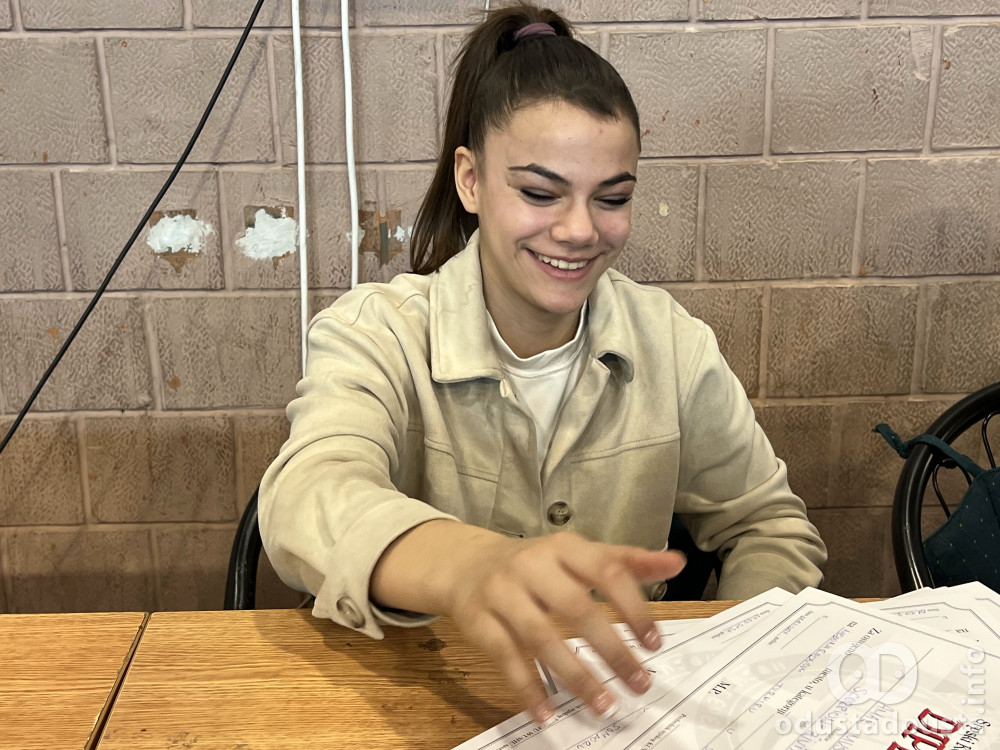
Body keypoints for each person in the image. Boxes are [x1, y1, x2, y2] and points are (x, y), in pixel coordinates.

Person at [259, 1, 826, 725]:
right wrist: (469, 565)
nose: (580, 230)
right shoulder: (379, 332)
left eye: (612, 198)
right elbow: (307, 492)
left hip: (623, 715)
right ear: (470, 180)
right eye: (539, 192)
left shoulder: (672, 344)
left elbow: (770, 527)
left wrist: (723, 669)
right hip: (429, 701)